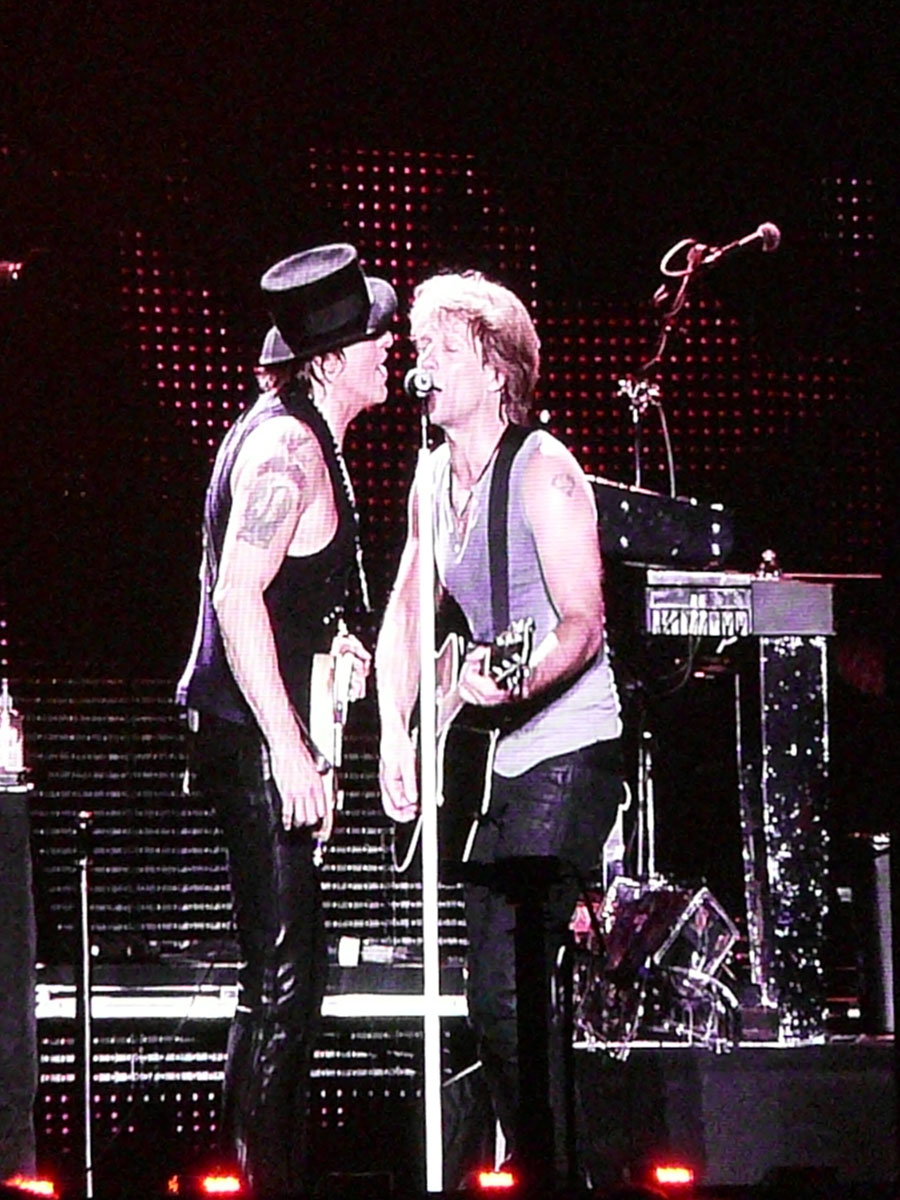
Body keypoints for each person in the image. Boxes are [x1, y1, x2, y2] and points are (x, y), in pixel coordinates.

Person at [376, 270, 623, 1185]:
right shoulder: (432, 475)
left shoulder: (546, 471)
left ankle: (553, 1173)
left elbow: (582, 624)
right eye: (419, 347)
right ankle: (544, 1167)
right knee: (493, 1004)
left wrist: (512, 681)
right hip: (490, 760)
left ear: (494, 367)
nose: (423, 363)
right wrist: (395, 729)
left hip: (567, 750)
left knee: (510, 989)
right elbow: (409, 608)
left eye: (443, 347)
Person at [177, 244, 396, 1194]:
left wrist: (324, 724)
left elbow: (290, 602)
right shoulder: (286, 450)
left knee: (285, 979)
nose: (390, 351)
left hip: (271, 736)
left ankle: (260, 1171)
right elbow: (237, 594)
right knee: (282, 981)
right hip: (250, 738)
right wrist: (288, 751)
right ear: (333, 358)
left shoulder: (309, 439)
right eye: (377, 338)